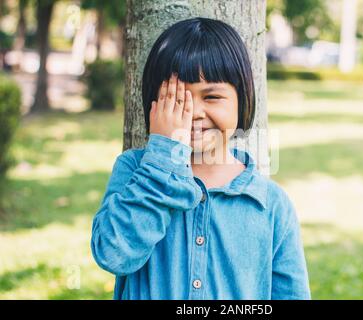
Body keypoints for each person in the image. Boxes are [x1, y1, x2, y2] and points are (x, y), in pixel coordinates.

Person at [91, 17, 310, 300]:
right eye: (178, 99)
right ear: (153, 105)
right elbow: (113, 255)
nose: (194, 112)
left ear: (242, 100)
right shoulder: (134, 169)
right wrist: (162, 158)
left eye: (212, 97)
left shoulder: (271, 204)